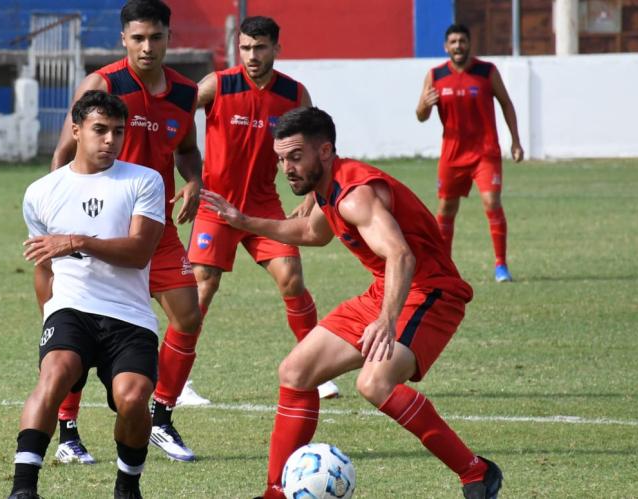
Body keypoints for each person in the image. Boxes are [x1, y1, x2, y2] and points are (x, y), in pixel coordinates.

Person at [201, 107, 503, 499]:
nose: (286, 168)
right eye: (280, 159)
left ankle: (475, 471)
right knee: (296, 371)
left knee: (375, 382)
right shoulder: (327, 187)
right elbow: (311, 230)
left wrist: (386, 320)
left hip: (430, 292)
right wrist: (245, 221)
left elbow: (401, 256)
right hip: (386, 289)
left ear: (324, 151)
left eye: (295, 157)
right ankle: (276, 491)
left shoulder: (354, 196)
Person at [49, 0, 204, 463]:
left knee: (188, 316)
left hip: (154, 227)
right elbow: (62, 155)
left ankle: (161, 416)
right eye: (138, 38)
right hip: (97, 228)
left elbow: (188, 150)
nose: (147, 47)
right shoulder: (103, 84)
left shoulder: (185, 92)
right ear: (123, 39)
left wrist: (194, 181)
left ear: (168, 38)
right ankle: (68, 431)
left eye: (156, 38)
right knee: (80, 327)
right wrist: (64, 223)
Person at [9, 90, 165, 499]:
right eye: (100, 130)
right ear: (76, 131)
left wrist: (77, 241)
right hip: (71, 309)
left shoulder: (144, 180)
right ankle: (23, 489)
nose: (111, 140)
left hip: (129, 315)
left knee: (132, 399)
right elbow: (44, 267)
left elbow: (139, 252)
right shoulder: (41, 191)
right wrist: (49, 317)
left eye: (118, 131)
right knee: (54, 374)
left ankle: (127, 487)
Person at [189, 16, 337, 399]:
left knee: (291, 277)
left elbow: (317, 146)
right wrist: (188, 175)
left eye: (260, 48)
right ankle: (179, 382)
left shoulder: (293, 94)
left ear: (276, 48)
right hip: (216, 204)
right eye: (245, 48)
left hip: (263, 205)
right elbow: (176, 118)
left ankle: (315, 370)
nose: (252, 56)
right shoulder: (217, 85)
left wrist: (311, 196)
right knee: (201, 290)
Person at [416, 23, 523, 283]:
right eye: (453, 42)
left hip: (485, 152)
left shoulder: (486, 72)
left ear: (469, 43)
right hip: (452, 154)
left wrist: (516, 141)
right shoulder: (436, 75)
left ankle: (501, 266)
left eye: (462, 41)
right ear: (446, 47)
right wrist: (424, 105)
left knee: (491, 202)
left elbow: (506, 104)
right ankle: (443, 267)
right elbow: (421, 116)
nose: (458, 46)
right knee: (446, 208)